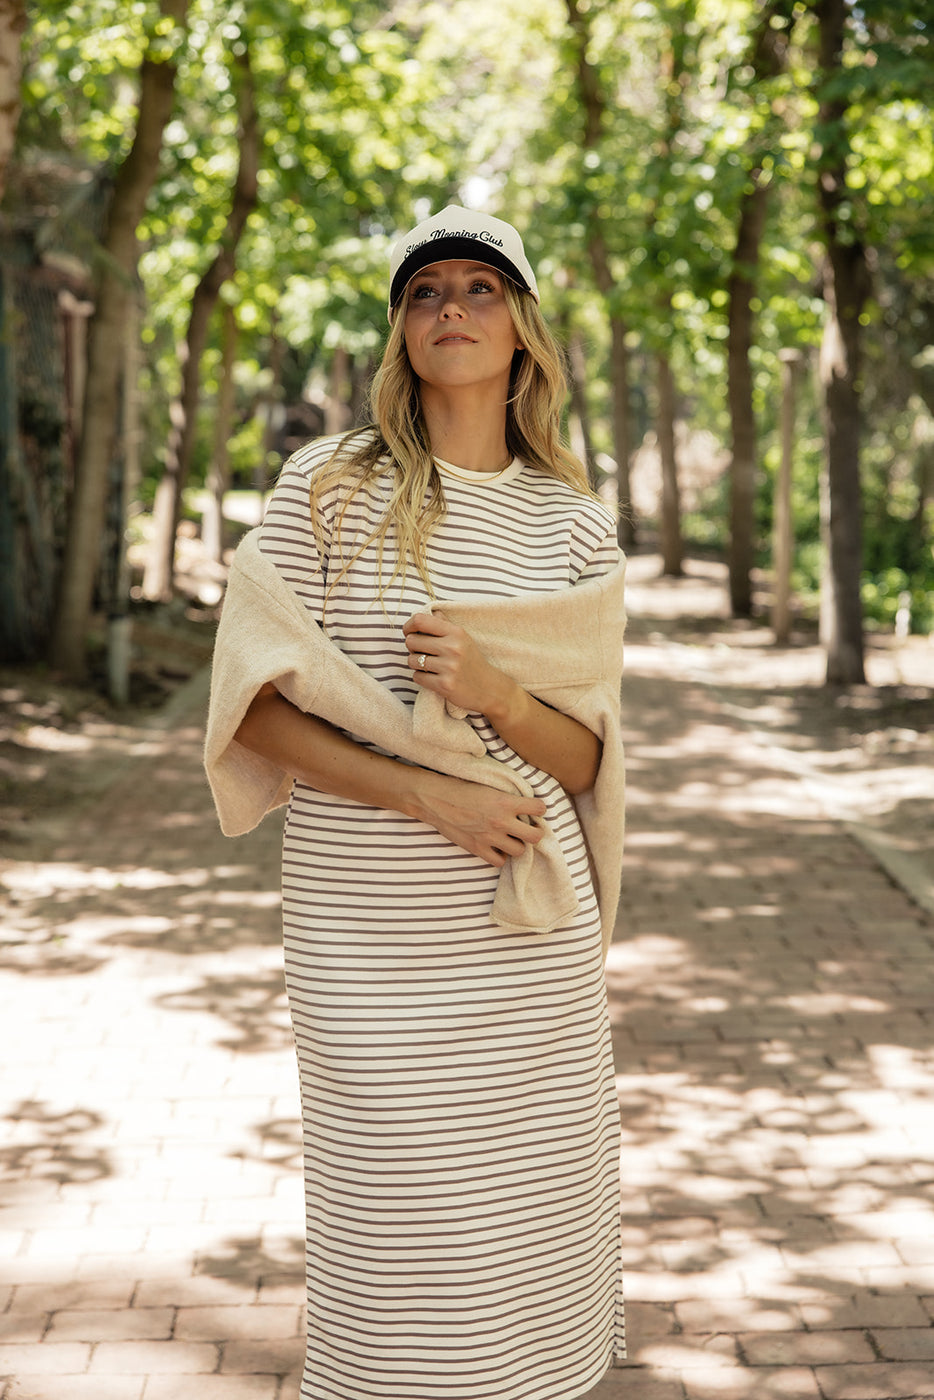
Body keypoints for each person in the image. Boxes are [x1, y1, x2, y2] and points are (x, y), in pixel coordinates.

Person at [204, 205, 627, 1400]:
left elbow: (589, 763)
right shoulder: (330, 487)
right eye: (426, 291)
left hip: (522, 941)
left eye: (479, 289)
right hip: (367, 930)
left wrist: (493, 689)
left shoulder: (572, 518)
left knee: (525, 1226)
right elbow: (248, 702)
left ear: (522, 326)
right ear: (400, 327)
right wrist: (425, 794)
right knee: (395, 1236)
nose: (452, 309)